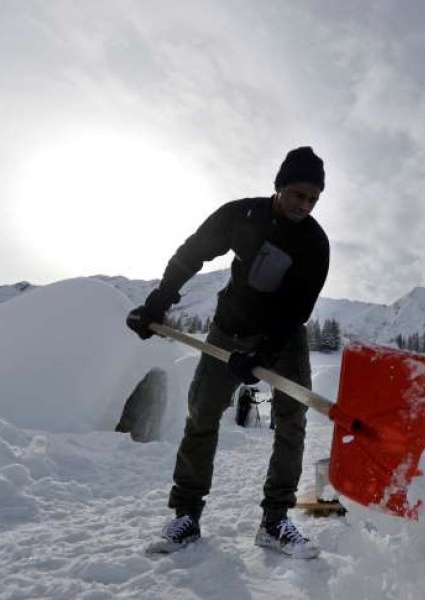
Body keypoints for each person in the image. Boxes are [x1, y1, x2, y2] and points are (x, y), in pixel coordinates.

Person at [126, 146, 330, 559]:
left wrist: (264, 354)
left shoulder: (314, 242)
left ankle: (275, 520)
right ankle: (186, 515)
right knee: (201, 415)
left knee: (291, 422)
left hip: (283, 337)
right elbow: (193, 252)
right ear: (280, 187)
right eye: (297, 195)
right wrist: (158, 302)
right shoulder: (242, 215)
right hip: (228, 328)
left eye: (313, 199)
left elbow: (297, 309)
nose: (303, 206)